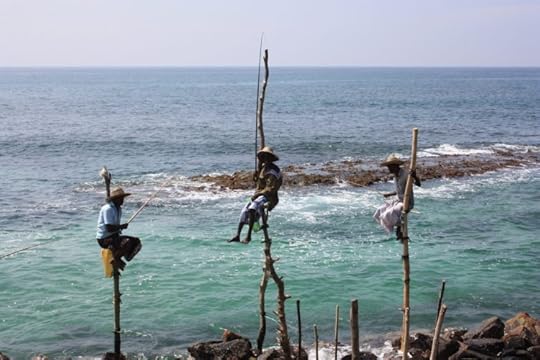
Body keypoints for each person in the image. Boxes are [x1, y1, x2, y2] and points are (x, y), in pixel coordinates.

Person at [229, 146, 282, 244]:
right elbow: (258, 181)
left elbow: (270, 189)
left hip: (269, 197)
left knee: (252, 208)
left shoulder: (273, 171)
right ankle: (237, 235)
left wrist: (257, 194)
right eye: (263, 157)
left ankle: (248, 236)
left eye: (266, 157)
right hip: (259, 195)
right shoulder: (263, 168)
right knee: (244, 212)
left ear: (270, 159)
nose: (264, 159)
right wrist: (256, 175)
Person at [373, 154, 421, 241]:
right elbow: (399, 191)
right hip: (398, 200)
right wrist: (389, 194)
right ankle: (398, 228)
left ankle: (400, 228)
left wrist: (415, 176)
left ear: (395, 166)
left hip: (407, 202)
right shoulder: (395, 176)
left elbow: (418, 184)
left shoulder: (406, 174)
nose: (389, 169)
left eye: (390, 167)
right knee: (379, 210)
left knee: (389, 214)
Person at [96, 187, 142, 270]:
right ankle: (116, 259)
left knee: (136, 242)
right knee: (127, 242)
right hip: (105, 239)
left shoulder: (118, 209)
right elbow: (109, 228)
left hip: (114, 236)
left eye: (123, 199)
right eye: (120, 199)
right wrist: (121, 226)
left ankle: (120, 256)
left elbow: (114, 227)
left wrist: (119, 228)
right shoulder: (108, 209)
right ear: (115, 199)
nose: (122, 201)